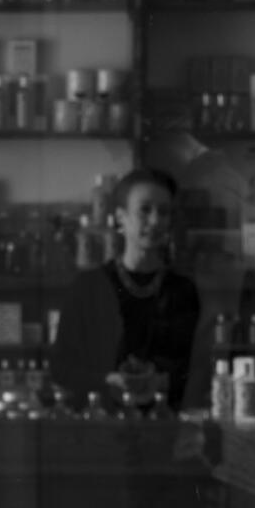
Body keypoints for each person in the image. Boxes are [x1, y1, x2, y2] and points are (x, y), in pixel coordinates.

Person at [49, 168, 202, 410]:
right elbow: (61, 369)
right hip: (100, 425)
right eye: (145, 210)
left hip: (164, 426)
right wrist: (107, 380)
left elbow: (196, 369)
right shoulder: (88, 288)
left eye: (164, 212)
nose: (155, 221)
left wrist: (160, 380)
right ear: (120, 217)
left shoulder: (183, 291)